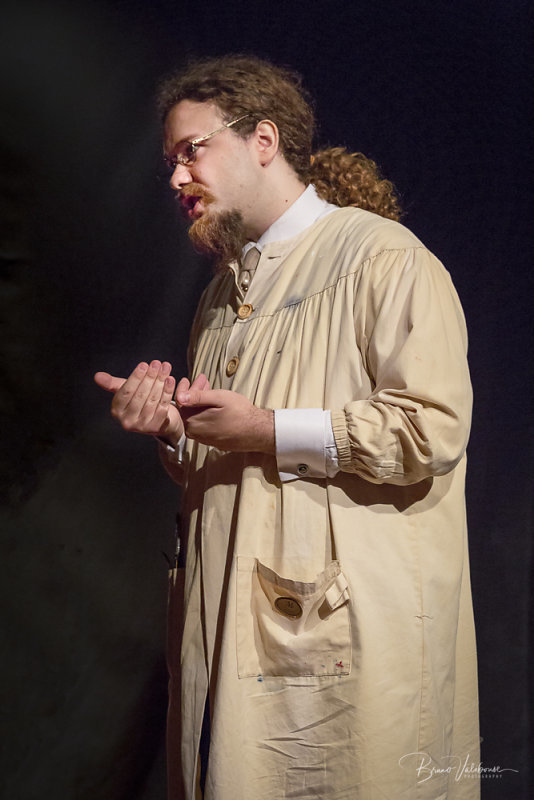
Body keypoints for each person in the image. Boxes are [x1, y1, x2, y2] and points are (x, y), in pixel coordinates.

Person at [95, 55, 479, 800]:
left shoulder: (383, 258)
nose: (177, 178)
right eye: (170, 162)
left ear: (263, 140)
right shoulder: (221, 294)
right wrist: (173, 429)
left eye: (191, 152)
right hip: (233, 635)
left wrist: (268, 428)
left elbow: (431, 429)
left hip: (341, 643)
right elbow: (232, 461)